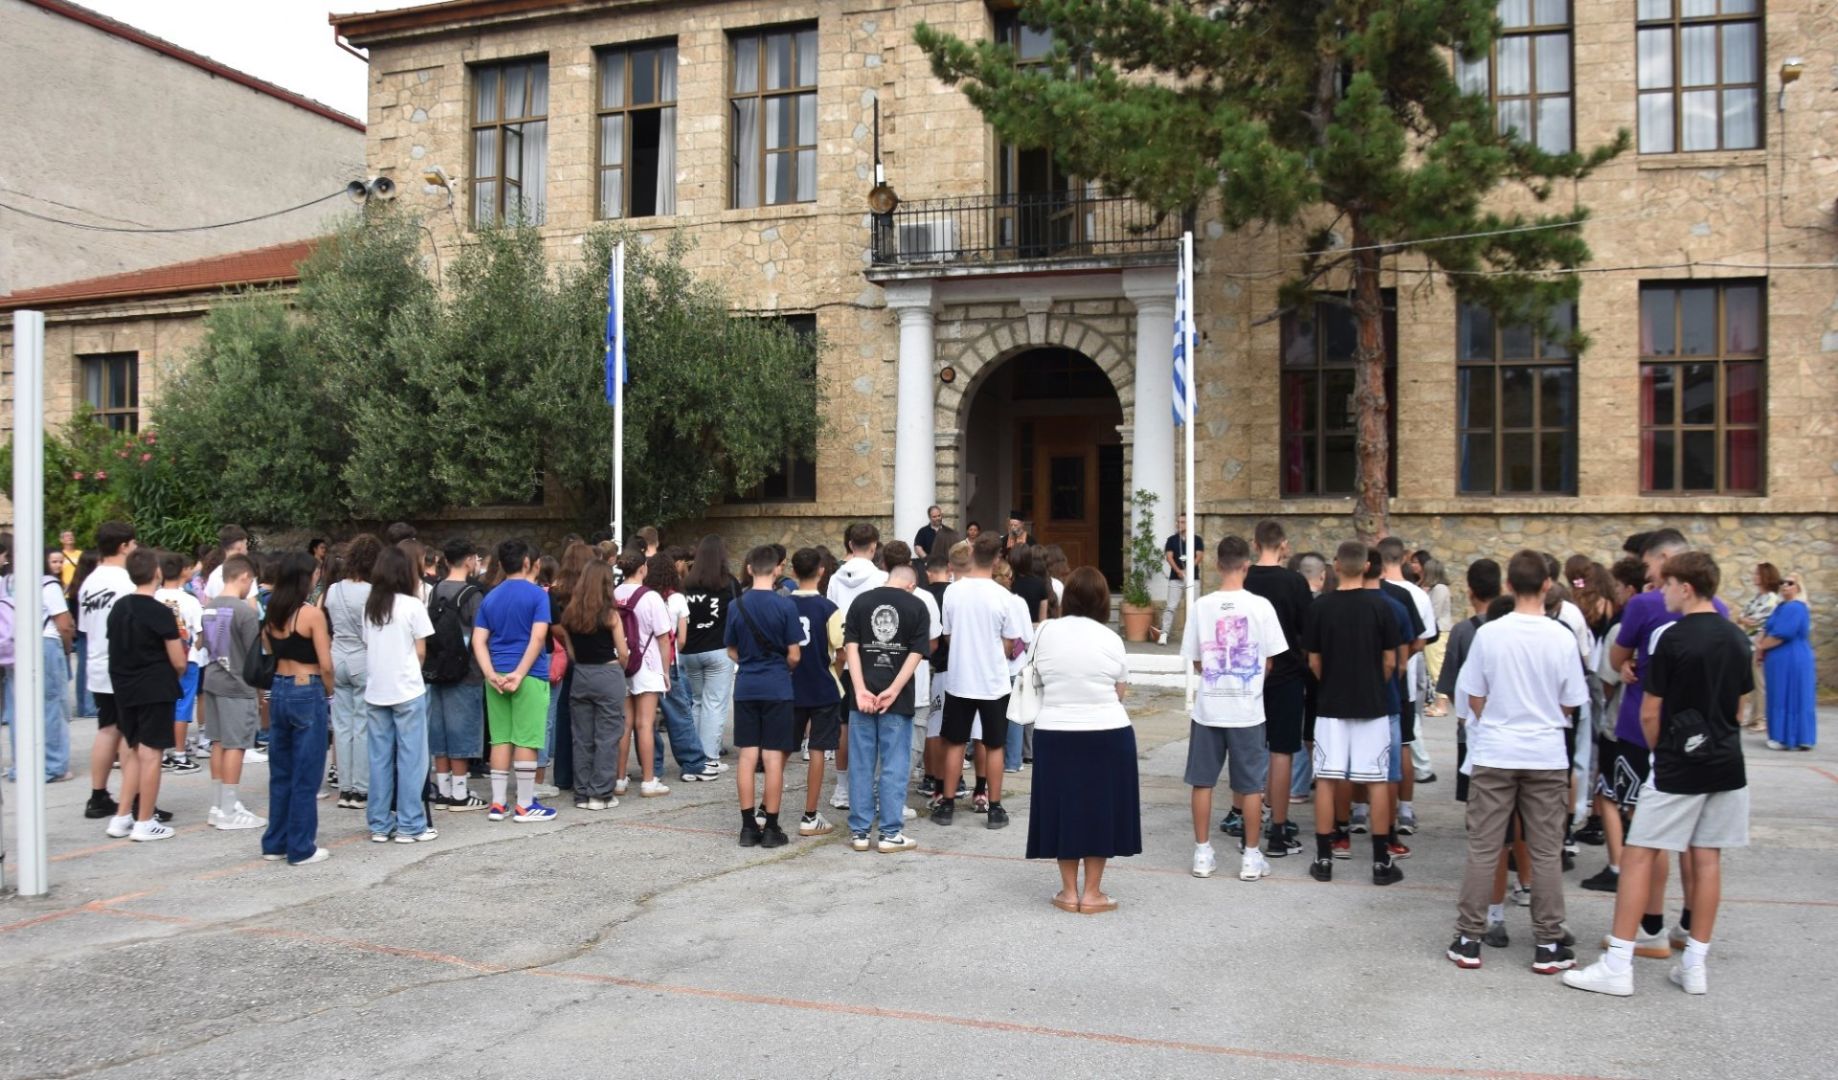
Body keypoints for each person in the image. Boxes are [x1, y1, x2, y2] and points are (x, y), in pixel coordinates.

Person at [1565, 552, 1752, 998]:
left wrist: (1660, 751)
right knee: (1707, 857)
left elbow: (1651, 711)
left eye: (1666, 584)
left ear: (1686, 588)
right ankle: (1695, 965)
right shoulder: (1736, 636)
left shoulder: (1670, 636)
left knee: (1638, 855)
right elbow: (1739, 707)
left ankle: (1619, 964)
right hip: (1726, 760)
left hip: (1675, 761)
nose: (1660, 591)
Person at [1445, 552, 1589, 973]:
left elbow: (1472, 694)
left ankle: (1469, 938)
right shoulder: (1561, 636)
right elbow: (1571, 701)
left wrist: (1496, 717)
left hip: (1496, 750)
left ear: (1508, 585)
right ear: (1547, 585)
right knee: (1545, 850)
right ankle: (1548, 942)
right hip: (1545, 751)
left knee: (1485, 847)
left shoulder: (1490, 633)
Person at [1026, 566, 1138, 912]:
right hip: (1108, 730)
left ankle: (1068, 891)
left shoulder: (1045, 632)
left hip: (1055, 729)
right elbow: (1119, 690)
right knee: (1100, 808)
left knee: (1063, 807)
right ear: (1103, 600)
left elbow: (1035, 677)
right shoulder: (1111, 639)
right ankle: (1092, 892)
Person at [1183, 537, 1289, 883]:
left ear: (1217, 565)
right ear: (1246, 566)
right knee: (1251, 786)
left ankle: (1202, 852)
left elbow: (1197, 661)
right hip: (1247, 709)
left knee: (1202, 782)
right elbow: (1270, 660)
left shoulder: (1201, 606)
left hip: (1209, 707)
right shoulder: (1261, 607)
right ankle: (1251, 856)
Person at [1303, 541, 1406, 886]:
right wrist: (1374, 684)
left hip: (1331, 703)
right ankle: (1380, 861)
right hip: (1372, 703)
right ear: (1365, 566)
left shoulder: (1321, 607)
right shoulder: (1382, 607)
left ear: (1335, 565)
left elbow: (1314, 660)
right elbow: (1390, 661)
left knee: (1327, 778)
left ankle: (1323, 858)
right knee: (1376, 779)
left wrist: (1331, 682)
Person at [935, 533, 1027, 829]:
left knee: (955, 742)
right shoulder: (1004, 597)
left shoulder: (953, 592)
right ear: (998, 559)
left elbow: (948, 635)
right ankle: (995, 807)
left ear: (972, 553)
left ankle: (947, 804)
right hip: (993, 681)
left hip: (960, 678)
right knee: (995, 744)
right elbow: (1010, 643)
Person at [842, 563, 933, 852]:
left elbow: (851, 647)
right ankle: (890, 832)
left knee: (861, 764)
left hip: (862, 696)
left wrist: (859, 689)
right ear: (911, 585)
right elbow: (916, 653)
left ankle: (859, 832)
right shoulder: (917, 606)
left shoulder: (861, 601)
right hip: (898, 699)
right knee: (894, 765)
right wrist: (894, 689)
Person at [102, 549, 188, 843]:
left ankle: (122, 815)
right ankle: (145, 820)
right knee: (152, 754)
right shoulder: (160, 612)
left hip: (124, 687)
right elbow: (178, 660)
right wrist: (174, 675)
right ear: (157, 573)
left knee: (133, 751)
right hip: (154, 686)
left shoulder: (119, 607)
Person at [254, 552, 334, 864]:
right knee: (307, 772)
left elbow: (269, 649)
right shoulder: (311, 614)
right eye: (315, 573)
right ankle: (301, 846)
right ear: (305, 577)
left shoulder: (272, 611)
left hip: (279, 687)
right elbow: (325, 664)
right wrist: (329, 690)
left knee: (281, 771)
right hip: (307, 687)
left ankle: (275, 841)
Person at [471, 539, 557, 823]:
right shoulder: (538, 595)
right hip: (529, 675)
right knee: (527, 739)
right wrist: (520, 672)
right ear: (527, 562)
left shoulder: (491, 596)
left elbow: (478, 640)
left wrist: (489, 673)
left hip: (496, 675)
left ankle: (498, 804)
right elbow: (538, 637)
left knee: (501, 739)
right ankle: (524, 804)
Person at [725, 545, 803, 848]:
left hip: (746, 685)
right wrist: (781, 667)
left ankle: (747, 827)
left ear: (748, 569)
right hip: (777, 686)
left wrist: (748, 662)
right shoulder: (786, 606)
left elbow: (731, 649)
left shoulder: (736, 606)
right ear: (777, 569)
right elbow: (794, 654)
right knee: (772, 757)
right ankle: (771, 826)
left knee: (747, 756)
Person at [1243, 520, 1311, 858]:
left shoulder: (1244, 580)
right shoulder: (1295, 583)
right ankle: (1278, 831)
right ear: (1283, 545)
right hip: (1286, 675)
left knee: (1250, 751)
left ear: (1255, 544)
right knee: (1282, 751)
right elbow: (1308, 631)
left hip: (1247, 676)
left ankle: (1249, 826)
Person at [361, 546, 437, 844]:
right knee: (412, 759)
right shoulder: (412, 605)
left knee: (379, 759)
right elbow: (421, 651)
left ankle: (380, 823)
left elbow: (368, 643)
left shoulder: (371, 606)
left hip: (376, 689)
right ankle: (410, 824)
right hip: (407, 688)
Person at [199, 554, 264, 831]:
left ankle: (218, 805)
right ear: (244, 577)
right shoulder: (245, 612)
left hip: (213, 678)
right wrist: (260, 692)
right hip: (238, 683)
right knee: (235, 745)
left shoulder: (209, 607)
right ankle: (229, 808)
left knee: (217, 741)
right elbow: (254, 655)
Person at [826, 523, 889, 810]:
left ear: (851, 545)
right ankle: (868, 787)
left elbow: (831, 617)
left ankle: (842, 788)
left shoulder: (835, 579)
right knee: (872, 725)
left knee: (843, 724)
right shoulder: (881, 578)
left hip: (843, 656)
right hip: (872, 658)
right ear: (874, 546)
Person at [78, 522, 138, 822]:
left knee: (107, 728)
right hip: (124, 665)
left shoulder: (89, 582)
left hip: (97, 662)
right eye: (134, 544)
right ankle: (134, 799)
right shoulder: (126, 581)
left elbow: (85, 628)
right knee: (130, 733)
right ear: (124, 546)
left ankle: (98, 795)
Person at [559, 559, 629, 810]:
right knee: (608, 736)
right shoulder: (610, 615)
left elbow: (571, 652)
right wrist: (619, 667)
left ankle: (582, 792)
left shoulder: (569, 615)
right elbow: (623, 652)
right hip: (608, 673)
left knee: (582, 737)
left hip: (581, 674)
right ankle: (600, 793)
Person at [425, 538, 487, 811]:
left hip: (437, 669)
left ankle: (444, 791)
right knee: (462, 730)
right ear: (470, 559)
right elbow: (480, 636)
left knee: (439, 730)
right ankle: (460, 794)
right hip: (466, 671)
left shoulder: (435, 590)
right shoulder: (473, 595)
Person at [3, 550, 75, 783]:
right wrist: (67, 648)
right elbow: (64, 624)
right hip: (45, 643)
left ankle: (22, 765)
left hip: (14, 648)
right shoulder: (47, 584)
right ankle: (53, 766)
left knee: (18, 708)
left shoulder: (8, 582)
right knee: (51, 705)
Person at [323, 535, 381, 811]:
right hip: (362, 658)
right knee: (362, 725)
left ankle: (345, 787)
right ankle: (361, 787)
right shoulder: (372, 592)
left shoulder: (333, 590)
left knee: (342, 725)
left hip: (338, 657)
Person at [789, 548, 843, 837]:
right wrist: (836, 672)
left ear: (793, 572)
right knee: (818, 749)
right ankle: (810, 814)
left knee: (780, 748)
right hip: (822, 686)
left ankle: (765, 808)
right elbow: (841, 651)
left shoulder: (783, 605)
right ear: (822, 571)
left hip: (790, 686)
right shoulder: (829, 609)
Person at [613, 551, 674, 799]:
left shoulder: (614, 594)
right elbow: (663, 638)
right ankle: (648, 781)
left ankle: (619, 779)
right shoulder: (651, 597)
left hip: (621, 663)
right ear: (643, 568)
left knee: (624, 724)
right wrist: (666, 671)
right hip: (647, 664)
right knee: (645, 724)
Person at [644, 552, 709, 785]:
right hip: (669, 662)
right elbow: (681, 639)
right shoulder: (678, 599)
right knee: (679, 714)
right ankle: (692, 763)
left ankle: (653, 767)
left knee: (646, 719)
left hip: (644, 664)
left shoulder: (644, 597)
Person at [680, 534, 742, 776]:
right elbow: (738, 614)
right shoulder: (729, 583)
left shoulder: (686, 584)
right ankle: (709, 758)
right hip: (719, 649)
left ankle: (694, 758)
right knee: (714, 704)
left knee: (697, 702)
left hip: (690, 651)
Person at [154, 551, 204, 775]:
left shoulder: (154, 597)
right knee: (182, 706)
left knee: (163, 705)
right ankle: (181, 754)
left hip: (159, 660)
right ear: (182, 570)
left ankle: (163, 752)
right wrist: (196, 648)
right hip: (187, 657)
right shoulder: (190, 600)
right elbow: (201, 633)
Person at [1756, 574, 1816, 751]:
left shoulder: (1795, 607)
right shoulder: (1782, 606)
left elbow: (1782, 634)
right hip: (1781, 657)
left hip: (1791, 657)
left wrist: (1761, 647)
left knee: (1787, 693)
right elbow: (1767, 628)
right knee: (1780, 693)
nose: (1785, 585)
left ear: (1798, 587)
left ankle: (1785, 737)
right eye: (1782, 582)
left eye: (1790, 583)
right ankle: (1795, 736)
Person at [1159, 512, 1204, 646]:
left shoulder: (1197, 539)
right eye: (1178, 522)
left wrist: (1188, 570)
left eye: (1183, 522)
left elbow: (1199, 556)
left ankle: (1194, 636)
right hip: (1175, 578)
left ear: (1189, 524)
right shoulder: (1172, 539)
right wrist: (1178, 571)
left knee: (1194, 607)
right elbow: (1169, 557)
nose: (1179, 524)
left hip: (1192, 578)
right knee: (1170, 606)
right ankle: (1164, 634)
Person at [66, 550, 100, 722]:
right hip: (90, 630)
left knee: (83, 667)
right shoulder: (91, 586)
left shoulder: (75, 586)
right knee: (89, 667)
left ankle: (83, 705)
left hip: (80, 631)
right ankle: (89, 706)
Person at [1419, 556, 1454, 716]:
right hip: (1437, 630)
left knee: (1436, 668)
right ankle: (1437, 702)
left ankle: (1442, 705)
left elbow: (1434, 612)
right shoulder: (1436, 589)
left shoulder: (1440, 589)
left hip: (1439, 631)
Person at [204, 525, 249, 600]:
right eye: (246, 544)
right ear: (239, 545)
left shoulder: (214, 574)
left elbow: (208, 603)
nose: (247, 548)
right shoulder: (245, 573)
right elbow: (252, 605)